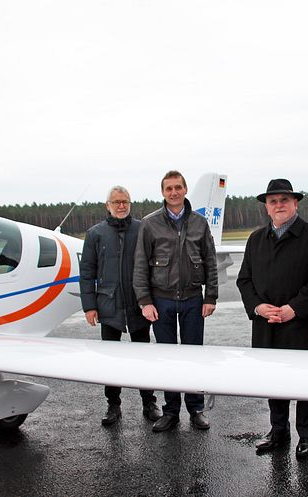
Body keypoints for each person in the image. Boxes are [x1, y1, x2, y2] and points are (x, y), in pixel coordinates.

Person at [236, 178, 308, 459]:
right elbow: (244, 280)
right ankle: (278, 430)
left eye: (284, 200)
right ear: (266, 207)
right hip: (267, 324)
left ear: (295, 203)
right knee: (272, 379)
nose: (279, 205)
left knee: (305, 381)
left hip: (303, 324)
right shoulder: (255, 239)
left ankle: (306, 435)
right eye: (273, 201)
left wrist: (294, 308)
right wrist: (258, 307)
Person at [133, 170, 218, 432]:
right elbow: (140, 265)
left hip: (193, 298)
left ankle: (196, 409)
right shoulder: (150, 223)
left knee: (194, 355)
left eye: (177, 187)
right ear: (163, 192)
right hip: (162, 300)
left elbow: (210, 261)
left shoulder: (199, 222)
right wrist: (145, 301)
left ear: (185, 189)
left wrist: (211, 296)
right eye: (168, 188)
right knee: (167, 358)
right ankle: (171, 411)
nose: (173, 192)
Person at [79, 186, 162, 426]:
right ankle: (113, 405)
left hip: (137, 305)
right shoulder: (95, 234)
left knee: (143, 355)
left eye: (124, 201)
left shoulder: (141, 229)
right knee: (110, 359)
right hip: (108, 305)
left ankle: (149, 402)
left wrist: (150, 300)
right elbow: (87, 272)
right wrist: (89, 306)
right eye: (116, 202)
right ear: (108, 205)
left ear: (130, 203)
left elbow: (152, 265)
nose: (121, 206)